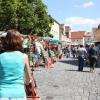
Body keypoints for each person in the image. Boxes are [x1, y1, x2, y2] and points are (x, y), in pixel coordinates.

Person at [0, 29, 32, 100]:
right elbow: (28, 78)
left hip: (2, 93)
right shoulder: (24, 56)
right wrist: (26, 82)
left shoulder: (0, 57)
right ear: (19, 41)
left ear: (5, 41)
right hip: (19, 93)